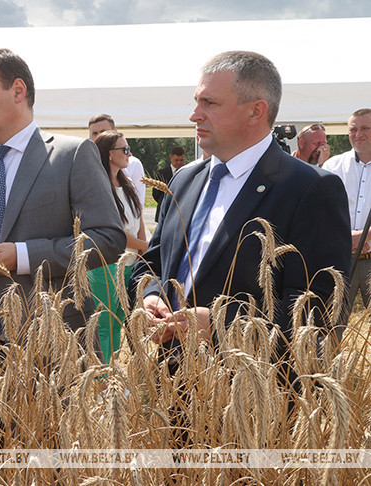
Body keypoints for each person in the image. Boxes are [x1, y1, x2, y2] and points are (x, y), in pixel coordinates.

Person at [130, 51, 350, 368]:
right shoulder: (184, 181)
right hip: (173, 384)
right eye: (196, 101)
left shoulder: (311, 188)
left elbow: (320, 307)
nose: (194, 115)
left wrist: (222, 324)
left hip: (255, 397)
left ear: (255, 111)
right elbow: (151, 263)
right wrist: (149, 299)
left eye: (210, 103)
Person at [0, 48, 125, 347]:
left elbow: (107, 239)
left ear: (18, 91)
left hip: (51, 349)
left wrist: (22, 256)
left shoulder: (71, 155)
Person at [90, 130, 147, 363]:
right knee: (105, 323)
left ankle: (112, 377)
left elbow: (139, 218)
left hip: (130, 264)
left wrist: (144, 251)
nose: (128, 153)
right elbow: (114, 233)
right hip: (106, 264)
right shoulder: (98, 187)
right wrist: (144, 245)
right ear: (109, 154)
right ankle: (102, 382)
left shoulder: (128, 183)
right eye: (124, 149)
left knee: (118, 320)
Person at [322, 109, 371, 306]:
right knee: (332, 329)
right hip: (340, 261)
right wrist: (346, 236)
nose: (358, 134)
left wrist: (365, 236)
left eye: (365, 128)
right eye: (353, 129)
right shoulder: (332, 167)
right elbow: (321, 212)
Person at [88, 113, 146, 207]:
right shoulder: (85, 164)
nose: (99, 136)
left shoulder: (133, 164)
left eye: (103, 131)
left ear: (114, 132)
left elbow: (138, 205)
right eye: (94, 133)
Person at [152, 146, 186, 222]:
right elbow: (156, 194)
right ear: (171, 158)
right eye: (176, 160)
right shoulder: (161, 173)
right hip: (164, 212)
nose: (179, 163)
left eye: (181, 160)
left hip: (182, 213)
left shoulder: (188, 172)